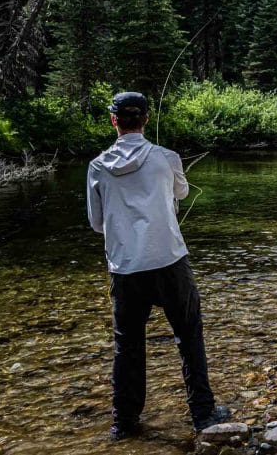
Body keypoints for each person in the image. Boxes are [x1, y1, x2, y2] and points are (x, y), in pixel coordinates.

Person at [87, 91, 229, 441]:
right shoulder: (167, 158)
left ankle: (124, 423)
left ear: (114, 121)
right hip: (169, 263)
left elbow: (96, 223)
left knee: (128, 346)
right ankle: (203, 414)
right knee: (189, 337)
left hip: (125, 268)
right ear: (146, 120)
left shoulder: (96, 167)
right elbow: (181, 193)